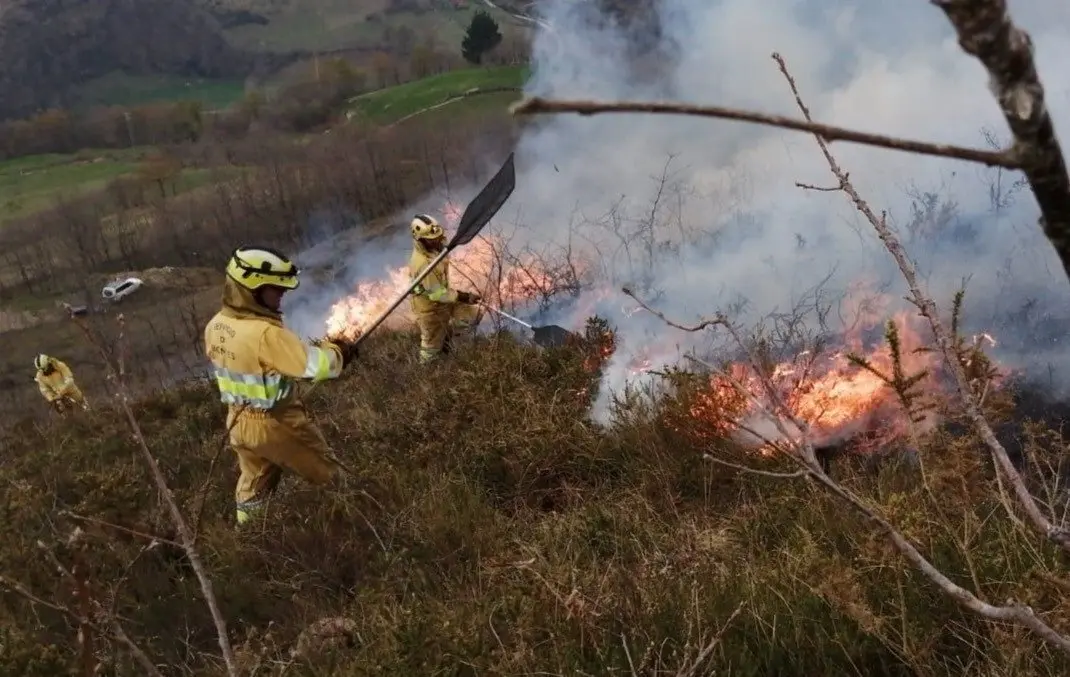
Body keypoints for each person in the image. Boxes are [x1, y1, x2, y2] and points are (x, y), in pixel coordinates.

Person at [204, 245, 360, 526]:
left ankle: (248, 538)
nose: (282, 295)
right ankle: (362, 522)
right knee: (331, 476)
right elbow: (317, 366)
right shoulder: (265, 334)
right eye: (276, 289)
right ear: (252, 289)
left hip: (238, 423)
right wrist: (339, 351)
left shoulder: (216, 325)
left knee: (253, 488)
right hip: (276, 425)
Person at [408, 213, 482, 363]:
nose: (437, 241)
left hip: (444, 300)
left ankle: (456, 349)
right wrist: (464, 297)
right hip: (430, 309)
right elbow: (437, 295)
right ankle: (425, 373)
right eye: (431, 240)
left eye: (437, 237)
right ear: (420, 240)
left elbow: (440, 243)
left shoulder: (433, 247)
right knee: (431, 350)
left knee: (471, 316)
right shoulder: (423, 264)